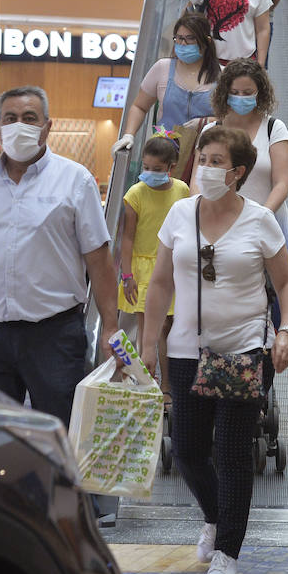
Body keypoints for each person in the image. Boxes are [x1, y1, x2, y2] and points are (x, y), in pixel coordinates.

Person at [0, 87, 121, 513]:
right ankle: (1, 518)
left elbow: (100, 260)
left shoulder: (75, 181)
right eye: (11, 116)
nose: (20, 124)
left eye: (31, 116)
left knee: (60, 436)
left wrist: (110, 326)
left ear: (48, 126)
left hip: (54, 335)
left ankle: (66, 522)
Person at [140, 126, 288, 574]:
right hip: (187, 349)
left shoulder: (258, 221)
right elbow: (160, 284)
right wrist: (150, 344)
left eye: (216, 162)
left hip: (242, 349)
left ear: (237, 173)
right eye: (202, 160)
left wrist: (285, 330)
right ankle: (214, 516)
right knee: (188, 448)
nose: (205, 169)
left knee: (232, 452)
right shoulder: (178, 214)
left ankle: (228, 549)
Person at [191, 60, 288, 363]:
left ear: (260, 93)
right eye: (235, 92)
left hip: (265, 226)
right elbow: (197, 182)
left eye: (249, 92)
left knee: (269, 298)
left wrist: (259, 218)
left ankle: (263, 366)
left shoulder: (274, 127)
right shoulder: (212, 129)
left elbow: (282, 182)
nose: (242, 97)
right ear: (225, 94)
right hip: (217, 227)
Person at [118, 134, 190, 397]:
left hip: (172, 266)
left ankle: (169, 386)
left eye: (157, 170)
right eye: (146, 168)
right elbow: (127, 238)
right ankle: (148, 385)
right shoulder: (134, 194)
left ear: (171, 166)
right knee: (149, 328)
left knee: (170, 329)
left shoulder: (182, 190)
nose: (149, 173)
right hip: (141, 268)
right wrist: (127, 276)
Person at [112, 12, 221, 156]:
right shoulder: (162, 68)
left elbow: (230, 119)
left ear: (206, 41)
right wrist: (128, 135)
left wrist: (207, 122)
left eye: (190, 39)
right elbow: (139, 106)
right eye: (179, 38)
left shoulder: (222, 76)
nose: (183, 44)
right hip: (165, 156)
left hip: (206, 155)